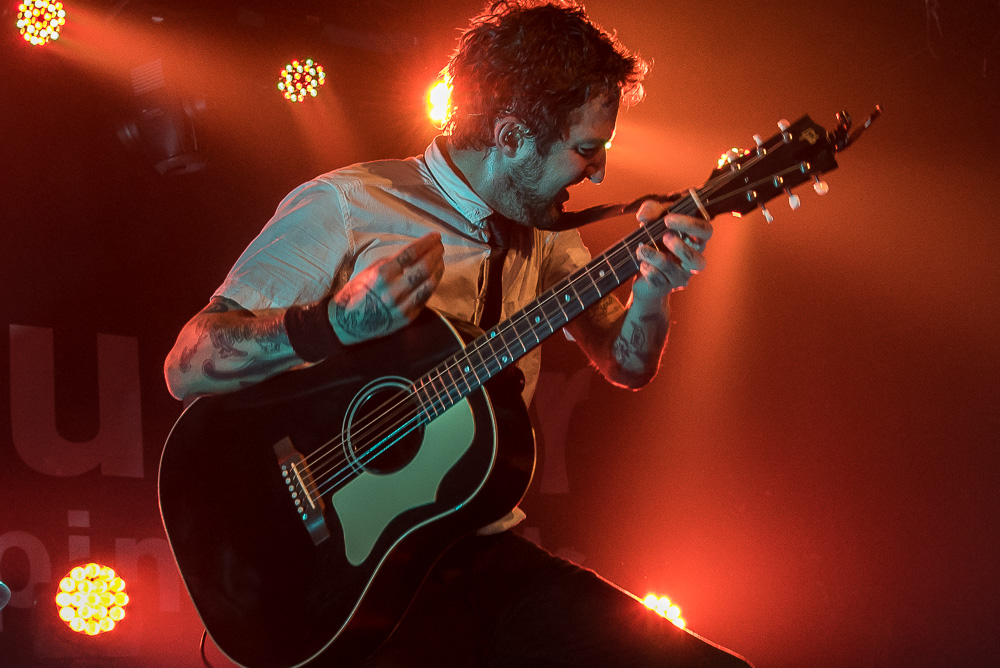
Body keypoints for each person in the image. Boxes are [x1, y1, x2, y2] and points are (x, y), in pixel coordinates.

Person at [164, 1, 752, 666]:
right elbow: (188, 362)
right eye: (586, 150)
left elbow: (626, 364)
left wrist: (654, 286)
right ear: (509, 137)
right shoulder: (348, 206)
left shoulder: (543, 231)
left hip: (489, 558)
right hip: (359, 582)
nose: (599, 174)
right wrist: (332, 322)